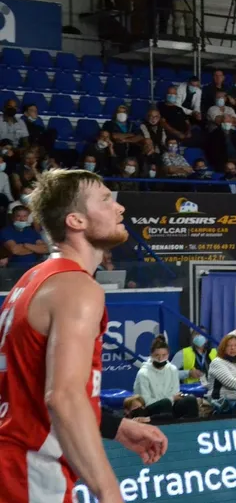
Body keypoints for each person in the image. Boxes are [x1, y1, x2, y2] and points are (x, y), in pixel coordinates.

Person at [0, 169, 165, 503]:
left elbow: (29, 387)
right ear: (76, 220)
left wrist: (115, 427)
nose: (119, 208)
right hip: (27, 471)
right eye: (105, 200)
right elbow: (63, 397)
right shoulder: (77, 287)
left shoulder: (34, 279)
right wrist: (109, 492)